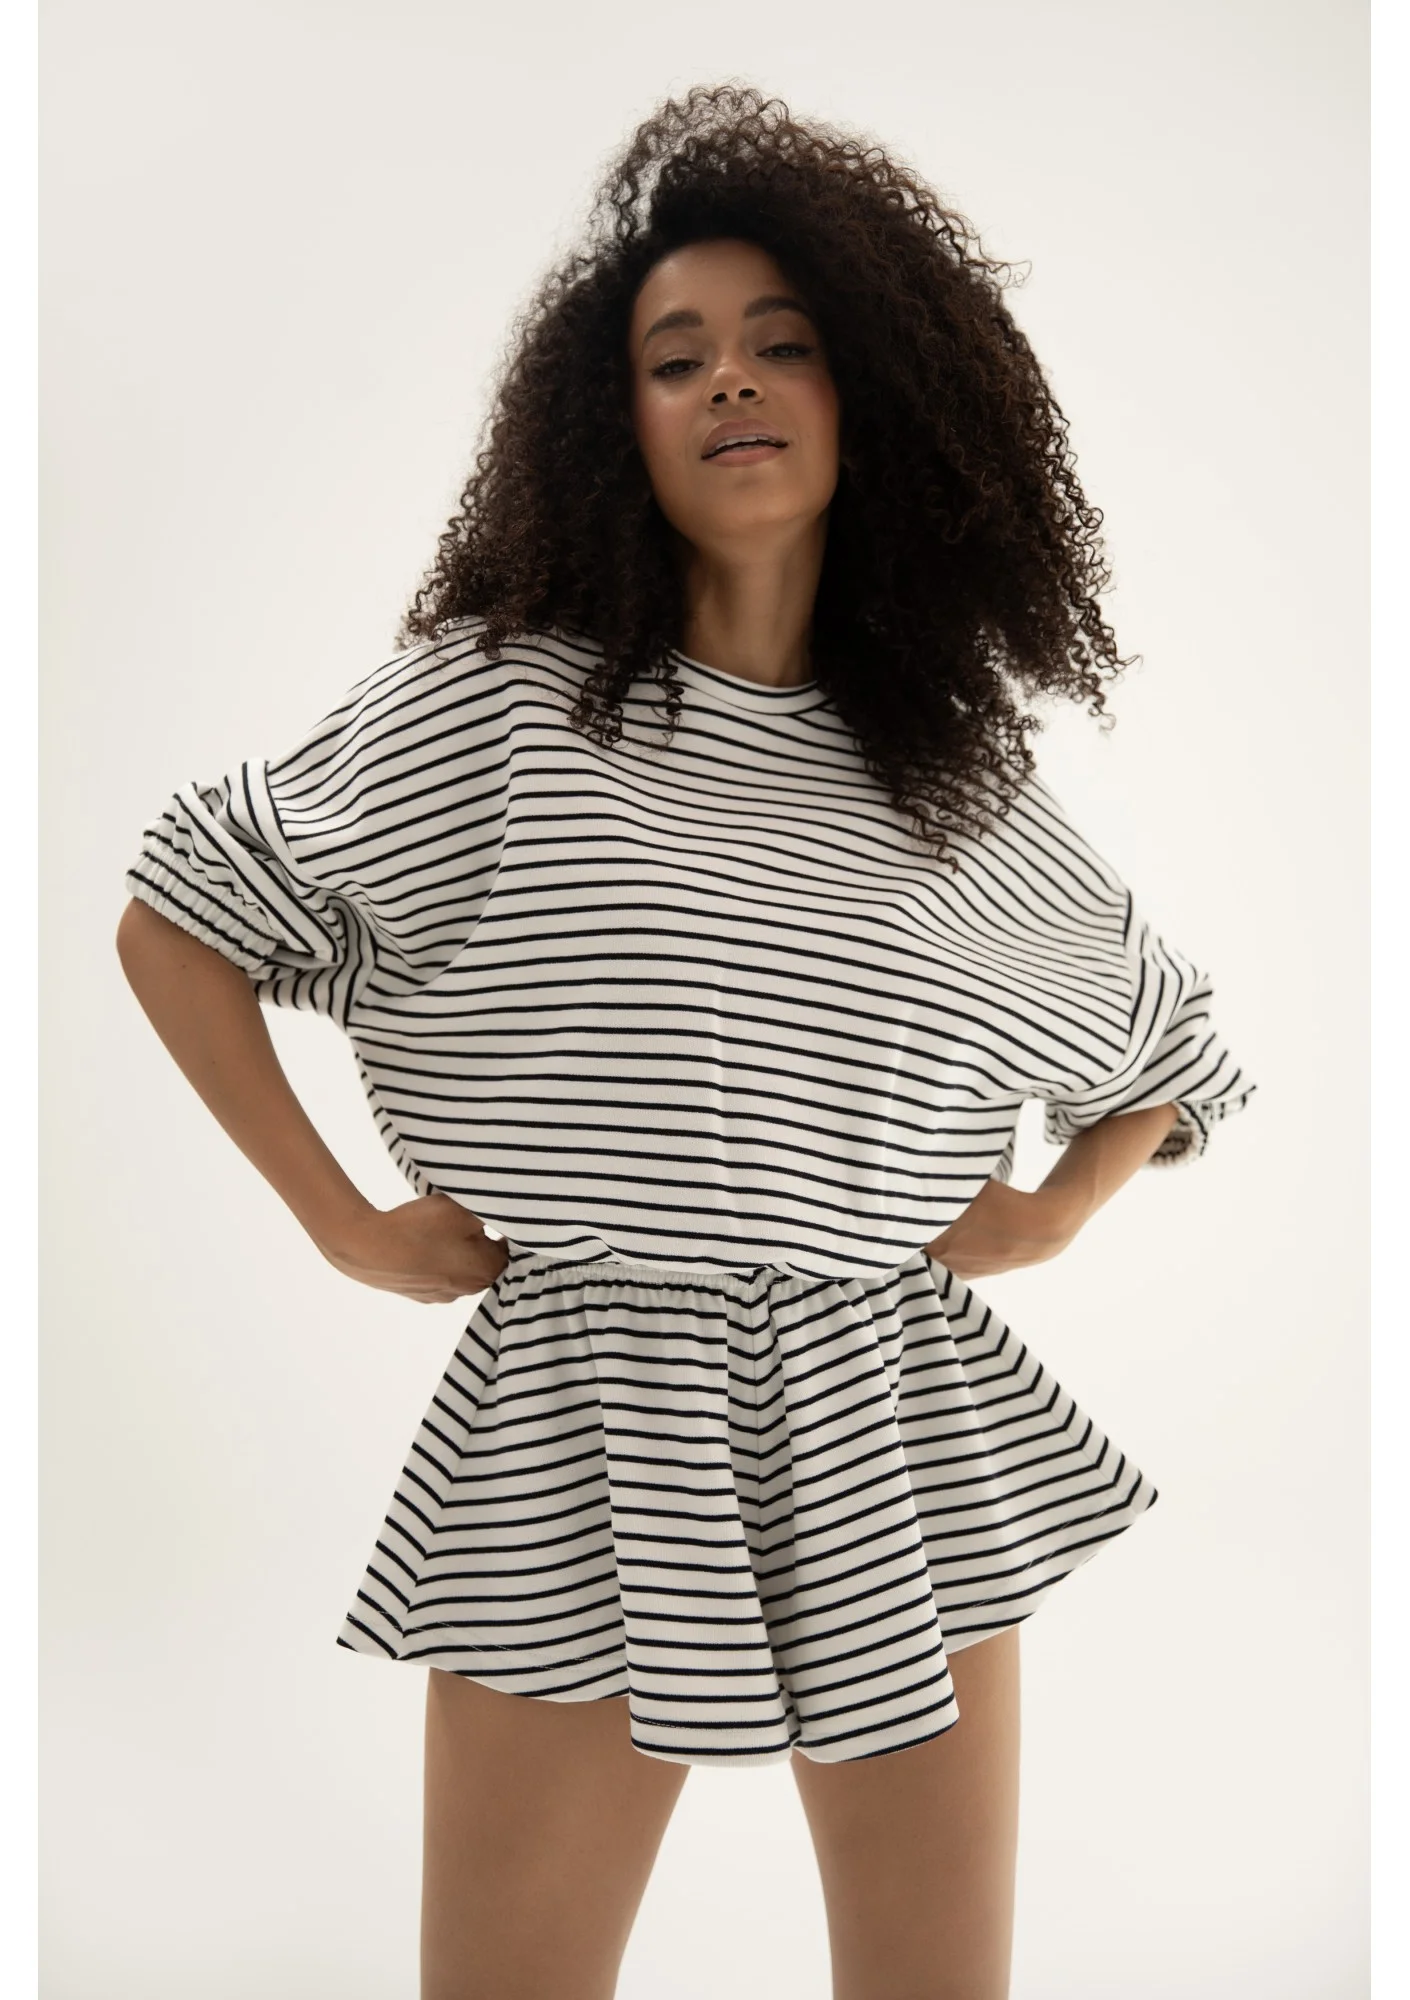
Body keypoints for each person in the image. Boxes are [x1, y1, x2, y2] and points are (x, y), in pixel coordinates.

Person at [115, 82, 1257, 2000]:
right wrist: (342, 1224)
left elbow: (1165, 1033)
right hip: (583, 1414)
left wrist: (1060, 1208)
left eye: (781, 342)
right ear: (613, 424)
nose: (730, 379)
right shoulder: (498, 704)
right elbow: (178, 920)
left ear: (872, 394)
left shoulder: (947, 775)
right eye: (674, 357)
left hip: (895, 1413)